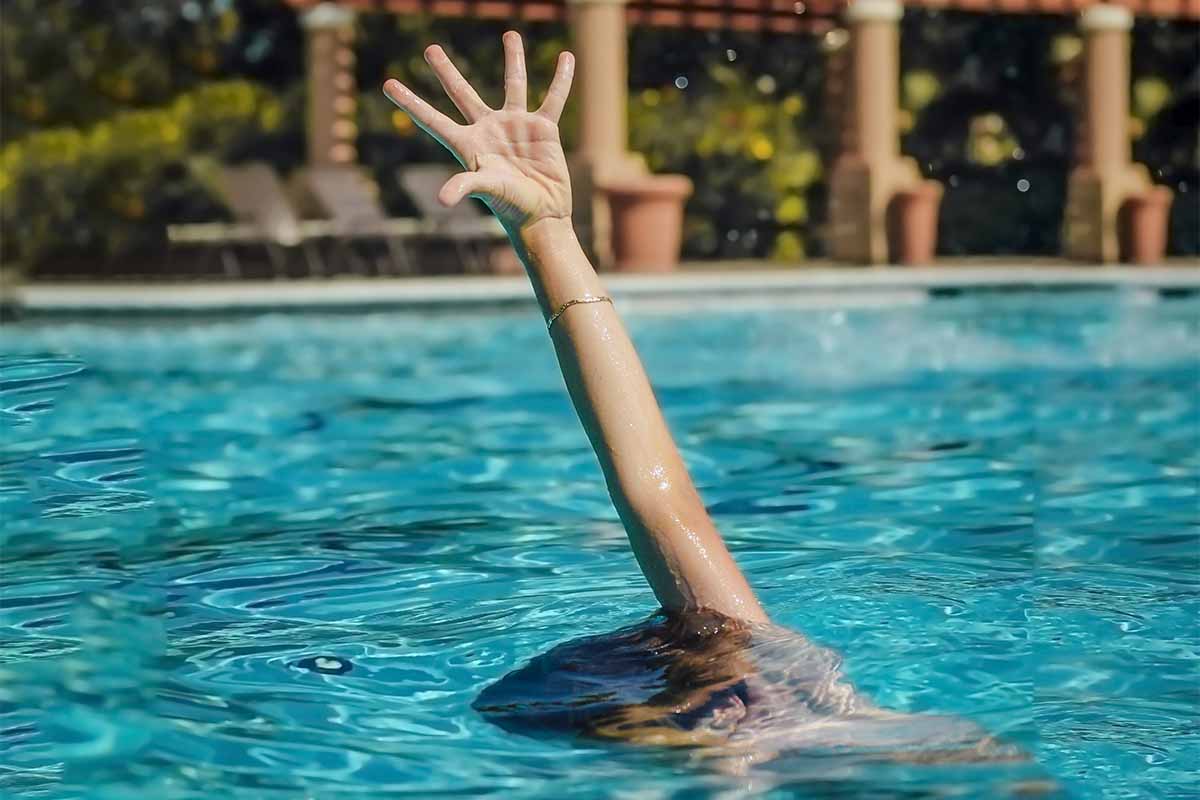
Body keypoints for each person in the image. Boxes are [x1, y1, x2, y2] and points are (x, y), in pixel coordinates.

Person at [383, 33, 1026, 766]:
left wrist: (549, 236)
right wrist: (549, 235)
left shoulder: (791, 702)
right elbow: (660, 504)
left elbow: (659, 503)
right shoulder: (812, 694)